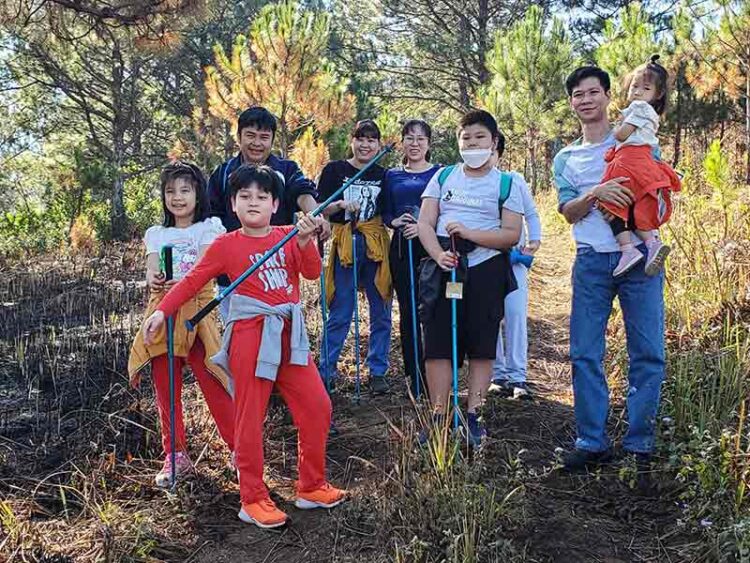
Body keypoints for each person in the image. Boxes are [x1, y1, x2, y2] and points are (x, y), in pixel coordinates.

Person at [141, 165, 345, 529]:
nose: (254, 203)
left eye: (262, 197)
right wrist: (162, 311)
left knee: (318, 405)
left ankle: (311, 485)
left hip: (289, 335)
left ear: (275, 203)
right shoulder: (225, 244)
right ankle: (251, 498)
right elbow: (192, 281)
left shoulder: (287, 234)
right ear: (232, 204)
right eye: (245, 197)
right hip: (250, 335)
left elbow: (312, 273)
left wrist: (304, 242)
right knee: (249, 416)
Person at [554, 65, 666, 472]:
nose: (585, 100)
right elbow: (567, 211)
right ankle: (592, 440)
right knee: (585, 352)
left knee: (648, 352)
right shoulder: (566, 158)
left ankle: (640, 445)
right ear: (572, 103)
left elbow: (656, 194)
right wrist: (596, 193)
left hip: (641, 260)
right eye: (578, 95)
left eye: (593, 92)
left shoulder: (638, 141)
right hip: (591, 262)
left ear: (606, 96)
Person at [418, 110, 523, 447]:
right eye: (466, 138)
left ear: (493, 142)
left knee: (481, 343)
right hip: (445, 268)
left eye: (479, 137)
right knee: (437, 343)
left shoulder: (508, 183)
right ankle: (439, 414)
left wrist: (471, 234)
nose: (472, 143)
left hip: (486, 269)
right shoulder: (444, 177)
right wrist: (438, 254)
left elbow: (510, 234)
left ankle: (475, 414)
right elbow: (425, 222)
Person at [128, 161, 235, 488]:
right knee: (166, 386)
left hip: (197, 312)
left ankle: (239, 449)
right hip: (161, 312)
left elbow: (205, 266)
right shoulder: (157, 234)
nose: (177, 197)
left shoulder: (209, 227)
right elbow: (150, 270)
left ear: (197, 194)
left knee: (213, 378)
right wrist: (155, 276)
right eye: (170, 191)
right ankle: (175, 454)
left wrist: (182, 282)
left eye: (185, 190)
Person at [207, 106, 330, 321]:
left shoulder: (286, 169)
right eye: (250, 136)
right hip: (234, 276)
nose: (257, 143)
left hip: (278, 272)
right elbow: (211, 216)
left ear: (272, 139)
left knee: (280, 337)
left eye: (264, 137)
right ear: (239, 136)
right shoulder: (223, 173)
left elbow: (302, 192)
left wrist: (315, 215)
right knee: (238, 336)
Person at [318, 120, 392, 395]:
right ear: (352, 140)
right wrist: (338, 205)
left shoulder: (383, 175)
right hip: (344, 244)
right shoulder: (335, 170)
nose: (365, 145)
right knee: (341, 309)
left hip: (374, 243)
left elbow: (389, 210)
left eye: (372, 140)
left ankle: (378, 371)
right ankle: (326, 370)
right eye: (360, 138)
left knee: (381, 307)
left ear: (378, 145)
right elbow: (320, 207)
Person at [598, 55, 681, 277]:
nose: (636, 92)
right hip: (644, 161)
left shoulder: (639, 108)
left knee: (609, 199)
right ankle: (652, 242)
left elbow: (622, 134)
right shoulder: (652, 114)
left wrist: (616, 129)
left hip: (629, 161)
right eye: (634, 86)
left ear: (658, 94)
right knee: (636, 205)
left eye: (645, 88)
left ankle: (628, 249)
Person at [382, 119, 440, 396]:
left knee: (433, 309)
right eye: (409, 138)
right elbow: (385, 212)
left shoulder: (441, 173)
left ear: (429, 143)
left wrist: (424, 226)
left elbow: (446, 209)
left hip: (431, 247)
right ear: (402, 142)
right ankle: (414, 376)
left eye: (420, 139)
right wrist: (394, 222)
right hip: (401, 247)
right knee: (407, 310)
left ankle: (437, 373)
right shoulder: (391, 175)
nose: (414, 144)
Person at [487, 148, 542, 400]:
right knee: (490, 316)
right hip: (485, 259)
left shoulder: (514, 181)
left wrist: (535, 240)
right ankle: (497, 375)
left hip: (515, 260)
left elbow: (530, 213)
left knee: (515, 314)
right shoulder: (469, 183)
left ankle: (517, 375)